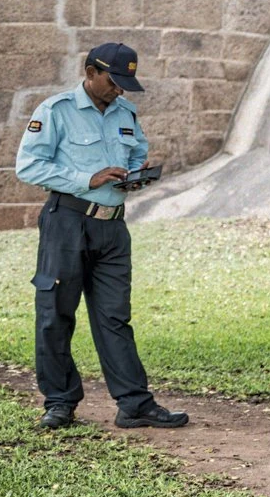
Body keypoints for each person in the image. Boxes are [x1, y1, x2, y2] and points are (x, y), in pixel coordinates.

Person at [14, 42, 188, 430]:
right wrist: (85, 179)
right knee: (55, 314)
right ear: (90, 72)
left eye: (126, 82)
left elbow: (135, 150)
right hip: (67, 223)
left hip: (113, 227)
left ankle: (134, 405)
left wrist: (133, 174)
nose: (120, 90)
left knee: (114, 317)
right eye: (113, 80)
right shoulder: (55, 111)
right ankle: (59, 402)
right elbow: (28, 167)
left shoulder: (126, 112)